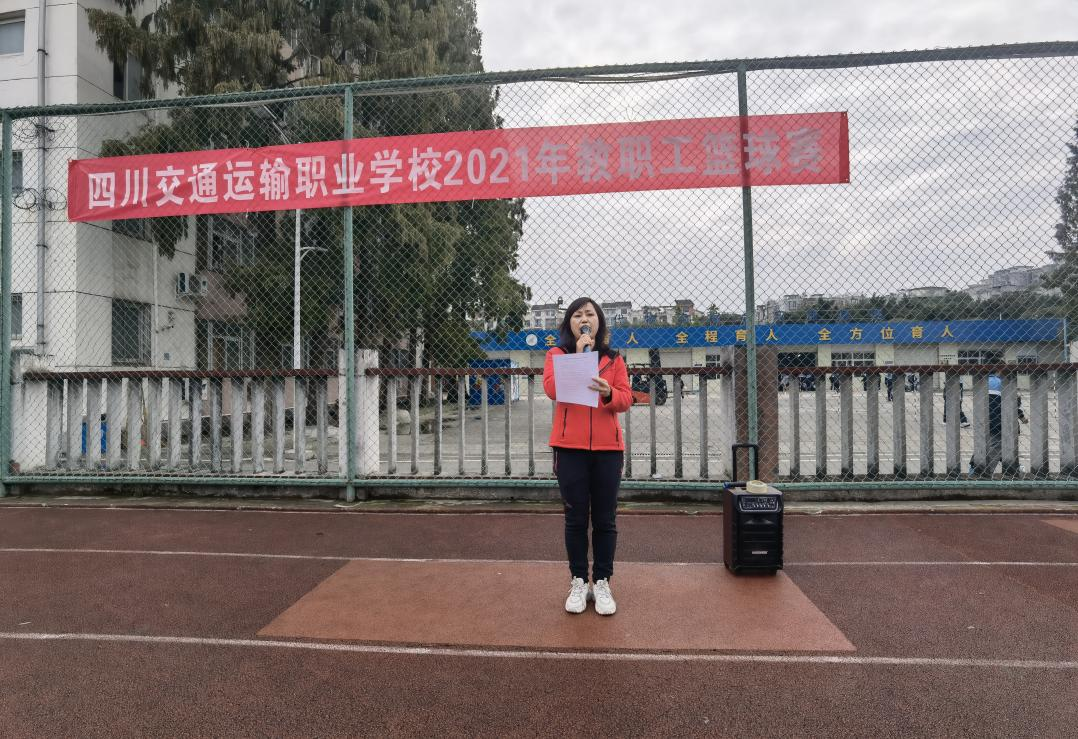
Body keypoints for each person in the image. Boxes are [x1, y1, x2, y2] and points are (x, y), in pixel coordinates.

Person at [542, 297, 632, 616]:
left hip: (608, 450)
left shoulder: (613, 359)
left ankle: (602, 581)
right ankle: (579, 581)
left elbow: (626, 399)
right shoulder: (557, 355)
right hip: (570, 449)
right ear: (569, 323)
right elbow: (552, 389)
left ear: (599, 322)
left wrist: (609, 393)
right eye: (578, 314)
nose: (584, 319)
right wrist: (580, 357)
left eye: (590, 314)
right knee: (576, 519)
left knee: (605, 519)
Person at [969, 374, 1028, 474]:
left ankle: (974, 467)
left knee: (986, 445)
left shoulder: (982, 381)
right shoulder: (1002, 382)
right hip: (1000, 423)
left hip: (985, 421)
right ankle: (983, 472)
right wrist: (1022, 417)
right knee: (999, 446)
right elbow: (1013, 404)